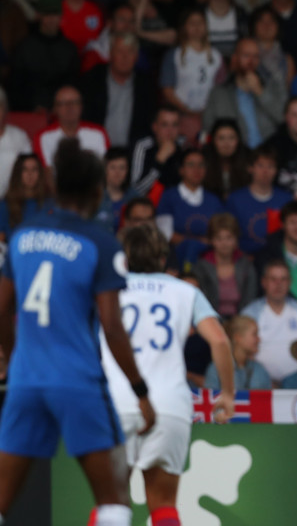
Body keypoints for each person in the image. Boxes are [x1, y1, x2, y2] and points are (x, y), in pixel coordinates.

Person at [0, 140, 151, 526]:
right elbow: (112, 327)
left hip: (28, 381)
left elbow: (1, 313)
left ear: (56, 187)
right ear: (97, 192)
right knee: (113, 501)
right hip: (78, 381)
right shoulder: (100, 241)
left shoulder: (23, 235)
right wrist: (140, 390)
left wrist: (17, 364)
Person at [100, 223, 235, 526]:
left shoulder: (106, 289)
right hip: (170, 405)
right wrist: (227, 393)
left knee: (110, 502)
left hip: (117, 403)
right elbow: (220, 340)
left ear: (124, 257)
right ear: (163, 258)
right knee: (163, 505)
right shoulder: (186, 291)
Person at [239, 260, 297, 384]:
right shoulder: (250, 313)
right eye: (273, 279)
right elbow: (241, 350)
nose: (278, 284)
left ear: (290, 283)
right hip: (260, 382)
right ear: (264, 282)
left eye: (283, 279)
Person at [79, 34, 157, 150]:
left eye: (130, 52)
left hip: (132, 152)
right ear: (110, 54)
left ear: (136, 56)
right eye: (119, 51)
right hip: (96, 150)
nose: (124, 57)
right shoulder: (93, 79)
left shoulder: (146, 85)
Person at [156, 148, 224, 272]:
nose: (196, 170)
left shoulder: (214, 200)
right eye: (191, 165)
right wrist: (198, 242)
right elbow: (166, 234)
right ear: (181, 170)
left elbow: (221, 232)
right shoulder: (168, 197)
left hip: (210, 260)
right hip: (175, 259)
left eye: (201, 165)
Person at [7, 1, 79, 113]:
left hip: (62, 111)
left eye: (55, 14)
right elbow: (16, 86)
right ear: (39, 16)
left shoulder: (70, 49)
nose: (51, 19)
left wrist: (58, 106)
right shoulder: (24, 47)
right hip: (30, 112)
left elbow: (73, 85)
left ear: (60, 16)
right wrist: (33, 106)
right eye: (47, 14)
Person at [189, 213, 256, 318]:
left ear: (236, 240)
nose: (224, 243)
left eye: (229, 238)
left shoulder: (246, 265)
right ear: (211, 241)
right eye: (219, 238)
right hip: (209, 321)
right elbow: (199, 303)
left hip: (240, 323)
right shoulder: (200, 267)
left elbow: (250, 300)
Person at [34, 85, 109, 167]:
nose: (69, 107)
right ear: (55, 109)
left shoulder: (98, 133)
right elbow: (46, 172)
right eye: (63, 103)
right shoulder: (43, 137)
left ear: (81, 107)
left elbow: (107, 168)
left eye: (75, 102)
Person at [0, 154, 53, 243]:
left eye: (34, 169)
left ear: (40, 173)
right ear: (17, 173)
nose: (30, 174)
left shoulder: (51, 204)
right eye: (25, 170)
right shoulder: (3, 207)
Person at [130, 106, 186, 197]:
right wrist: (159, 161)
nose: (170, 131)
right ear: (154, 127)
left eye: (174, 125)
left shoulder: (184, 147)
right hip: (147, 205)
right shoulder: (143, 146)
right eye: (164, 125)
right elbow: (135, 190)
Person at [203, 315, 272, 390]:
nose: (259, 340)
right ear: (238, 338)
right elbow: (210, 398)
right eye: (254, 334)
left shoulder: (260, 370)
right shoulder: (216, 369)